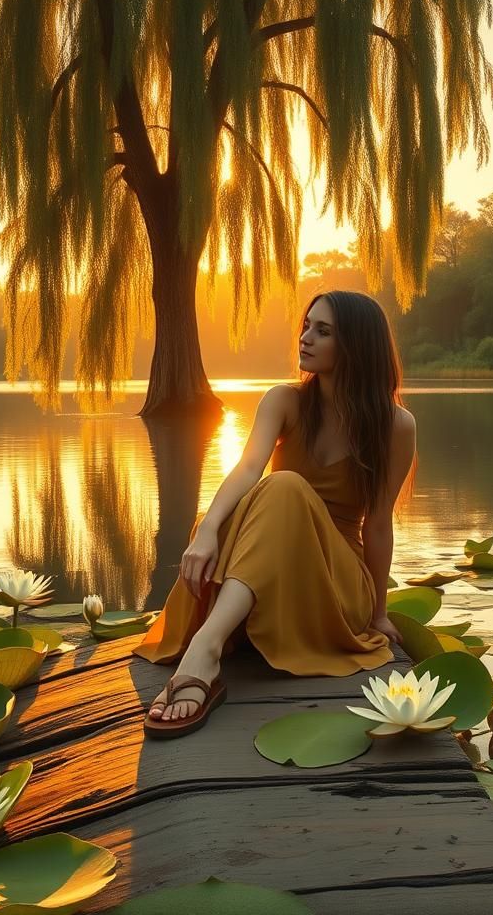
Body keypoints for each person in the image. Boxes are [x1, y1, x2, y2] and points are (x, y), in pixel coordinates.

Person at [134, 290, 417, 738]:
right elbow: (248, 468)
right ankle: (228, 629)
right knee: (232, 509)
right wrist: (206, 530)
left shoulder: (396, 425)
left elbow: (378, 524)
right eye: (306, 325)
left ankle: (207, 645)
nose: (305, 338)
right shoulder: (285, 401)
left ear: (355, 346)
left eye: (322, 331)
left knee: (284, 486)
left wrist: (379, 614)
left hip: (336, 578)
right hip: (276, 562)